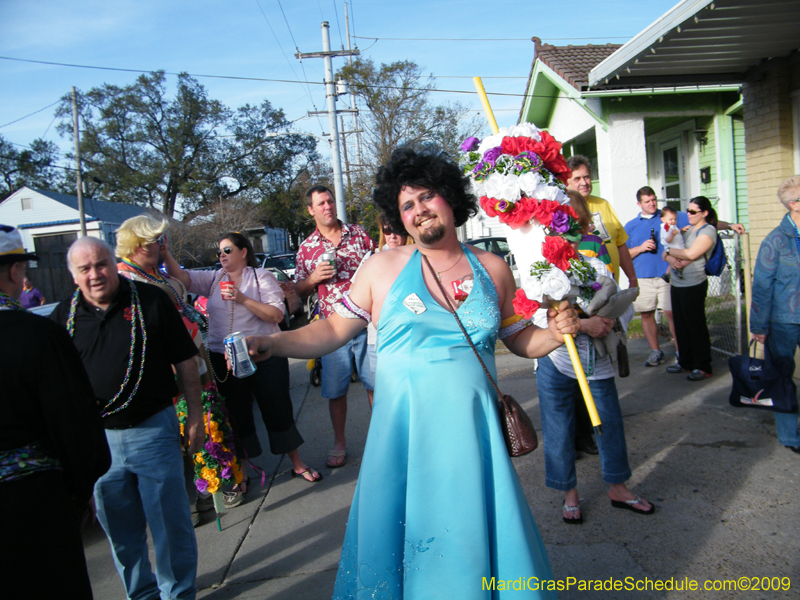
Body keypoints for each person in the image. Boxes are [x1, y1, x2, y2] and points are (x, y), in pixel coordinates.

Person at [240, 145, 579, 598]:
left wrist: (554, 334)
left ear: (450, 196)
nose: (419, 210)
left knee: (470, 541)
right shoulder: (381, 267)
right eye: (406, 205)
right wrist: (275, 342)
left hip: (473, 440)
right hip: (402, 438)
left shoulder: (493, 269)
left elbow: (519, 339)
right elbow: (335, 328)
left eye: (426, 196)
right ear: (398, 218)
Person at [52, 236, 204, 600]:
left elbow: (185, 360)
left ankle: (178, 593)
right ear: (73, 275)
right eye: (84, 269)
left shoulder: (150, 300)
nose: (94, 274)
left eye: (100, 264)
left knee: (170, 524)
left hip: (153, 430)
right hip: (99, 442)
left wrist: (195, 417)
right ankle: (142, 594)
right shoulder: (62, 317)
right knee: (120, 533)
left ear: (113, 262)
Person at [164, 232, 322, 496]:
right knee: (236, 415)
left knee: (277, 408)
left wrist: (242, 298)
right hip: (223, 357)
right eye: (219, 252)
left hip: (264, 354)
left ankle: (297, 463)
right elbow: (181, 277)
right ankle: (242, 472)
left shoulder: (261, 277)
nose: (222, 256)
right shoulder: (214, 279)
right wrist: (165, 253)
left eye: (227, 250)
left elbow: (277, 314)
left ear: (243, 252)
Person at [0, 225, 111, 599]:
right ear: (16, 271)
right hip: (34, 503)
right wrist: (82, 488)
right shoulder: (39, 335)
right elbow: (74, 424)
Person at [535, 222, 654, 524]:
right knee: (558, 426)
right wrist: (581, 324)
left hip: (595, 360)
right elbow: (533, 314)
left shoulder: (596, 265)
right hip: (556, 359)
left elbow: (623, 305)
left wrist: (609, 320)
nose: (568, 242)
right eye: (560, 236)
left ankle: (618, 486)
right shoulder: (541, 271)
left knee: (609, 421)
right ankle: (569, 493)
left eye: (573, 234)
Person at [294, 185, 377, 468]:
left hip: (366, 323)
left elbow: (379, 264)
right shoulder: (307, 248)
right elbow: (299, 291)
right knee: (335, 390)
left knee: (376, 386)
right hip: (333, 329)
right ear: (311, 210)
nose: (327, 206)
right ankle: (339, 443)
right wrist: (313, 277)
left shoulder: (359, 234)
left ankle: (381, 440)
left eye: (330, 201)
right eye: (321, 203)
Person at [625, 187, 745, 368]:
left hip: (673, 277)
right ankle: (663, 354)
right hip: (648, 276)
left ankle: (687, 357)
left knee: (677, 316)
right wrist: (642, 248)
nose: (652, 204)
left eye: (653, 199)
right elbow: (624, 252)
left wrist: (729, 225)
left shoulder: (671, 216)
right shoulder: (631, 225)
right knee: (653, 315)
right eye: (647, 201)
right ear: (639, 204)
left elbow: (702, 228)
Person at [750, 175, 800, 454]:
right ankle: (791, 436)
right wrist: (758, 325)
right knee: (782, 377)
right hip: (783, 320)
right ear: (794, 204)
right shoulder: (775, 240)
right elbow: (761, 286)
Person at [663, 196, 718, 381]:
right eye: (688, 211)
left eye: (693, 211)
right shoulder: (687, 230)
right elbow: (666, 252)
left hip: (694, 283)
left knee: (695, 325)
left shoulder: (707, 231)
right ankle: (685, 362)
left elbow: (691, 253)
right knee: (681, 324)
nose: (689, 214)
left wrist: (669, 252)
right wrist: (670, 256)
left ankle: (703, 366)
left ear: (704, 213)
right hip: (678, 283)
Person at [566, 155, 637, 287]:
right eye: (577, 179)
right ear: (566, 182)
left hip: (611, 286)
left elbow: (620, 244)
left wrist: (632, 279)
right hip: (584, 288)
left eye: (587, 177)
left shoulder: (603, 204)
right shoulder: (563, 208)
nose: (584, 183)